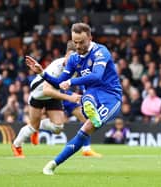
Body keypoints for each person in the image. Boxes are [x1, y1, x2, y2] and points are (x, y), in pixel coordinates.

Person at [26, 23, 122, 175]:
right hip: (92, 93)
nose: (77, 46)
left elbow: (96, 76)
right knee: (84, 127)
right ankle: (53, 164)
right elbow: (59, 83)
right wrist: (42, 73)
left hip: (110, 97)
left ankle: (91, 109)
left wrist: (71, 82)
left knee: (88, 105)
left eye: (81, 42)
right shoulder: (74, 59)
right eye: (75, 42)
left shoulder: (100, 52)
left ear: (90, 38)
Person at [11, 41, 80, 158]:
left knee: (58, 128)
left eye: (77, 57)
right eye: (71, 57)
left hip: (53, 95)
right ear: (67, 54)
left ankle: (37, 128)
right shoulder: (56, 66)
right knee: (32, 126)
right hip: (39, 95)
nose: (73, 60)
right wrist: (69, 97)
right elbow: (46, 90)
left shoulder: (75, 68)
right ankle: (16, 145)